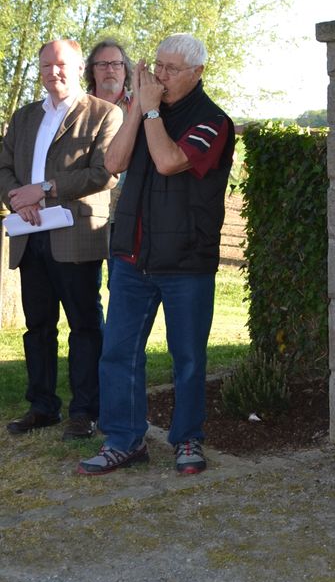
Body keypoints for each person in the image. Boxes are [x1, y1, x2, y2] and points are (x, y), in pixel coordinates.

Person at [78, 33, 235, 476]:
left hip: (186, 263)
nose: (159, 76)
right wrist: (136, 112)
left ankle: (187, 440)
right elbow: (113, 163)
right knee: (118, 353)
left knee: (187, 359)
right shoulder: (144, 111)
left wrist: (147, 110)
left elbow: (168, 161)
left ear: (197, 73)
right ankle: (124, 441)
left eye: (170, 69)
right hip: (131, 258)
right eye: (157, 66)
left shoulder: (212, 121)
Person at [0, 39, 122, 439]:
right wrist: (17, 198)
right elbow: (3, 167)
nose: (54, 71)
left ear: (78, 67)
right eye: (47, 65)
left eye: (61, 64)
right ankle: (42, 406)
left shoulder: (104, 114)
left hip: (76, 236)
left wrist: (45, 189)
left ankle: (84, 411)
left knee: (84, 327)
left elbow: (104, 172)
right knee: (38, 327)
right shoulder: (23, 117)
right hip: (29, 234)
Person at [84, 38, 133, 244]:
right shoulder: (77, 109)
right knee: (84, 276)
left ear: (125, 69)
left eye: (116, 64)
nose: (110, 69)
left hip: (127, 212)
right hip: (85, 213)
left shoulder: (140, 106)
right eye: (102, 64)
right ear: (92, 71)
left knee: (120, 276)